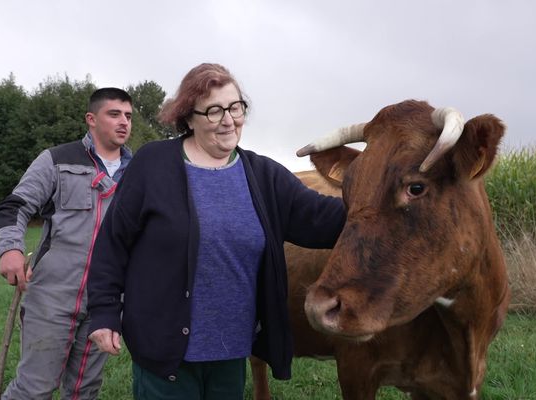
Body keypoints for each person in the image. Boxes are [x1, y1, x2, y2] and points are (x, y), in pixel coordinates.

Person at [87, 63, 346, 399]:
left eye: (235, 107)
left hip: (231, 351)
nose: (228, 119)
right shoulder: (153, 164)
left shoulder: (263, 175)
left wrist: (380, 193)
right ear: (188, 116)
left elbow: (322, 220)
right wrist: (105, 312)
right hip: (164, 353)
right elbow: (113, 243)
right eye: (214, 110)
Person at [0, 87, 133, 399]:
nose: (124, 122)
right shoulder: (56, 159)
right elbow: (14, 206)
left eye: (128, 116)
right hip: (52, 296)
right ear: (91, 119)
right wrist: (11, 248)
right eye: (114, 114)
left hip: (106, 301)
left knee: (84, 390)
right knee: (35, 388)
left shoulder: (138, 174)